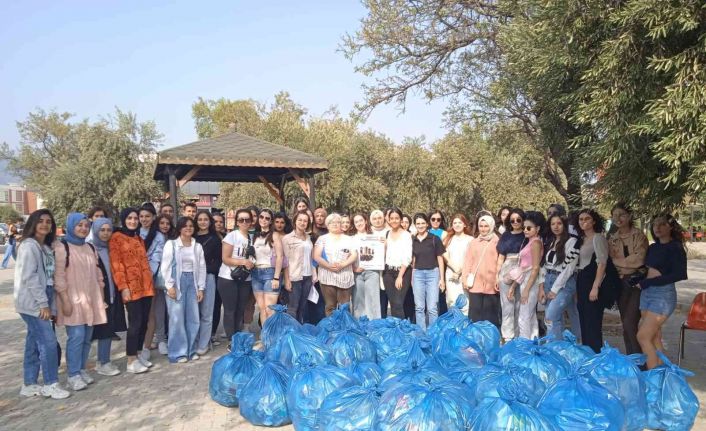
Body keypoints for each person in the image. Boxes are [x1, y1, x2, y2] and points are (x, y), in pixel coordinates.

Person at [15, 209, 70, 399]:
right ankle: (51, 383)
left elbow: (49, 279)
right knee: (48, 342)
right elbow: (29, 277)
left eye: (48, 221)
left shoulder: (46, 248)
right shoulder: (28, 246)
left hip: (44, 296)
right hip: (33, 301)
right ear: (33, 223)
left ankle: (29, 383)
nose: (45, 224)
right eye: (40, 221)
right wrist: (42, 304)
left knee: (33, 343)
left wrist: (51, 305)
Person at [54, 213, 107, 391]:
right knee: (76, 337)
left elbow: (98, 274)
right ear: (71, 226)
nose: (83, 228)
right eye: (79, 225)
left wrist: (101, 297)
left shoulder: (90, 248)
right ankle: (73, 374)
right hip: (72, 300)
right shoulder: (62, 248)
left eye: (86, 225)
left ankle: (82, 368)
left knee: (86, 338)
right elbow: (59, 277)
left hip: (91, 299)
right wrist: (65, 300)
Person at [637, 214, 688, 369]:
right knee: (655, 337)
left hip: (663, 295)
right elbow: (648, 269)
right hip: (647, 293)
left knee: (643, 336)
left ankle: (652, 379)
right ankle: (664, 374)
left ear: (670, 226)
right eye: (655, 224)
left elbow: (680, 274)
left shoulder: (676, 247)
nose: (657, 228)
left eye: (662, 224)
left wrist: (649, 282)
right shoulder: (653, 247)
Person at [109, 208, 155, 374]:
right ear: (123, 219)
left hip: (146, 287)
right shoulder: (116, 238)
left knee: (144, 322)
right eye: (130, 218)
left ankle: (139, 353)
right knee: (134, 323)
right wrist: (123, 287)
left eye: (135, 218)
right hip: (131, 288)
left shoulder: (138, 238)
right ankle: (130, 359)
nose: (133, 221)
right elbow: (117, 265)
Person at [161, 217, 206, 363]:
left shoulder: (197, 246)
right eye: (185, 226)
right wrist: (170, 286)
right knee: (176, 319)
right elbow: (165, 266)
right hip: (177, 282)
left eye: (191, 226)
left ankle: (191, 350)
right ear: (179, 228)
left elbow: (201, 268)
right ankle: (177, 353)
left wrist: (200, 288)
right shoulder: (171, 244)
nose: (188, 228)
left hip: (192, 281)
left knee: (193, 318)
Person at [607, 203, 648, 354]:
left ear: (629, 216)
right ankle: (632, 358)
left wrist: (619, 262)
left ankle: (639, 361)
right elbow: (610, 261)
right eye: (614, 215)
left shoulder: (639, 236)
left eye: (622, 215)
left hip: (636, 282)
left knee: (630, 322)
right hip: (619, 282)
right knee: (625, 323)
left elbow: (639, 260)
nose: (618, 218)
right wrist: (625, 264)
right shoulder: (612, 238)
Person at [89, 218, 127, 377]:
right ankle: (99, 363)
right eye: (102, 230)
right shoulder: (90, 249)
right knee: (96, 331)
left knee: (108, 329)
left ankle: (104, 361)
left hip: (112, 294)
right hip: (97, 296)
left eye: (108, 230)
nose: (105, 233)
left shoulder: (112, 248)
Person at [539, 214, 581, 340]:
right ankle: (557, 348)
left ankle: (555, 347)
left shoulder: (572, 242)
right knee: (554, 318)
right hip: (548, 280)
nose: (556, 227)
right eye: (553, 224)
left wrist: (555, 289)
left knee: (551, 316)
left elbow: (569, 269)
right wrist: (542, 287)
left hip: (564, 283)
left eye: (559, 223)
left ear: (565, 225)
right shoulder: (550, 241)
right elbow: (543, 265)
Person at [217, 208, 255, 350]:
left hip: (245, 278)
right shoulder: (232, 236)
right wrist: (243, 262)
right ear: (237, 222)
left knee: (241, 309)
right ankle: (231, 340)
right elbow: (225, 258)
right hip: (228, 277)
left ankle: (238, 335)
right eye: (241, 220)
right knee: (230, 309)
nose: (244, 222)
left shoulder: (252, 237)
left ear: (251, 222)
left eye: (247, 220)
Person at [575, 208, 609, 353]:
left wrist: (596, 286)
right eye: (581, 219)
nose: (583, 222)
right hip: (581, 279)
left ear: (594, 221)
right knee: (583, 319)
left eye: (587, 219)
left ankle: (596, 355)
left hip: (592, 280)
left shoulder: (598, 238)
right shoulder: (581, 239)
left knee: (593, 322)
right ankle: (587, 354)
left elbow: (602, 263)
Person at [313, 213, 358, 316]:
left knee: (344, 307)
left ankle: (345, 329)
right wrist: (329, 266)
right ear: (327, 225)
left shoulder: (348, 239)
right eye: (331, 222)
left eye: (337, 222)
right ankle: (332, 330)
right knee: (330, 306)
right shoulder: (322, 239)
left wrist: (343, 264)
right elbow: (316, 256)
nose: (334, 224)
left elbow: (354, 255)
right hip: (327, 276)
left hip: (344, 276)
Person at [138, 204, 167, 361]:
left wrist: (146, 275)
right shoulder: (134, 233)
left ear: (153, 217)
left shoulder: (158, 236)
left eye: (147, 216)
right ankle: (142, 343)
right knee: (140, 314)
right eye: (141, 216)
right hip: (135, 280)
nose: (144, 219)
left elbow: (157, 257)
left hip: (152, 278)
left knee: (156, 311)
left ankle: (157, 341)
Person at [462, 214, 500, 326]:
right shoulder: (473, 242)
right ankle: (474, 337)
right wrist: (465, 278)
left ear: (491, 226)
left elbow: (500, 262)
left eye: (486, 226)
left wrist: (498, 279)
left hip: (491, 284)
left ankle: (490, 338)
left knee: (490, 314)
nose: (483, 229)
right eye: (481, 226)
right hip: (475, 283)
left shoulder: (497, 242)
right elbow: (468, 261)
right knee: (475, 313)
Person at [496, 208, 526, 342]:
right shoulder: (506, 235)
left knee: (520, 305)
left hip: (524, 268)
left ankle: (519, 336)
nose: (515, 222)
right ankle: (507, 336)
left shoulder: (528, 235)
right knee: (507, 305)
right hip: (507, 268)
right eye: (512, 220)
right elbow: (500, 257)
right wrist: (497, 276)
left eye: (518, 219)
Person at [194, 210, 222, 355]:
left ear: (210, 222)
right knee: (193, 313)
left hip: (209, 277)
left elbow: (218, 261)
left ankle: (204, 342)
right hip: (191, 279)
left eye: (206, 219)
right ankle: (194, 340)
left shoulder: (215, 239)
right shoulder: (190, 237)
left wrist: (204, 270)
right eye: (200, 219)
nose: (203, 222)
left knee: (206, 312)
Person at [412, 212, 446, 330]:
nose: (420, 226)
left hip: (433, 274)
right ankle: (421, 333)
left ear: (427, 224)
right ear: (415, 225)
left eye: (422, 223)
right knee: (419, 307)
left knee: (432, 308)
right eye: (418, 224)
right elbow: (414, 260)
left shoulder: (434, 239)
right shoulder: (413, 240)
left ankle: (433, 333)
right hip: (418, 274)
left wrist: (442, 279)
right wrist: (412, 277)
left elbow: (440, 258)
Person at [251, 208, 284, 324]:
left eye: (267, 218)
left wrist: (276, 277)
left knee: (270, 309)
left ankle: (271, 337)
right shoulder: (254, 236)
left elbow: (280, 257)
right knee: (262, 309)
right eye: (261, 217)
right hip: (255, 273)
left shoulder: (274, 235)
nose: (264, 220)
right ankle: (265, 337)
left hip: (270, 272)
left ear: (271, 221)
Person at [282, 211, 315, 323]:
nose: (302, 222)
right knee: (292, 307)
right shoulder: (287, 238)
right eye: (300, 220)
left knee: (302, 307)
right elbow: (285, 260)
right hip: (294, 276)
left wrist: (314, 275)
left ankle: (298, 332)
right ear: (295, 221)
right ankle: (291, 333)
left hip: (307, 276)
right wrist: (287, 279)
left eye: (305, 221)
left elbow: (311, 257)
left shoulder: (308, 238)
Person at [380, 209, 413, 319]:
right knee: (393, 303)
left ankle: (402, 331)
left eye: (396, 218)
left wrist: (400, 276)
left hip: (402, 272)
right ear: (388, 219)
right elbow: (385, 253)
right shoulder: (387, 233)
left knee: (398, 303)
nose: (394, 221)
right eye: (392, 218)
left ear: (400, 219)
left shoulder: (406, 235)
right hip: (388, 272)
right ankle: (395, 330)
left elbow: (407, 257)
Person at [351, 212, 381, 319]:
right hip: (357, 272)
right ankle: (359, 325)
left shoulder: (375, 237)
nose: (359, 223)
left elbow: (381, 252)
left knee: (373, 301)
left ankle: (374, 326)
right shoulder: (351, 239)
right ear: (354, 224)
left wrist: (383, 243)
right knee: (358, 301)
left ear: (366, 221)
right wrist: (353, 268)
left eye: (361, 220)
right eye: (356, 222)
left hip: (372, 272)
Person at [442, 214, 473, 314]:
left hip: (465, 274)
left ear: (465, 224)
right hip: (451, 274)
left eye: (460, 222)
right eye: (455, 223)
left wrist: (460, 272)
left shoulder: (470, 240)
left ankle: (464, 326)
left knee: (465, 302)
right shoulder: (448, 239)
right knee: (451, 301)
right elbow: (445, 256)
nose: (457, 225)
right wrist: (455, 270)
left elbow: (471, 258)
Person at [369, 210, 391, 317]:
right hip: (371, 269)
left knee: (384, 295)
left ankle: (383, 318)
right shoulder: (367, 232)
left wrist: (386, 244)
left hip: (386, 268)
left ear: (383, 219)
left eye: (379, 218)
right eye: (374, 218)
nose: (377, 221)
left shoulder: (389, 232)